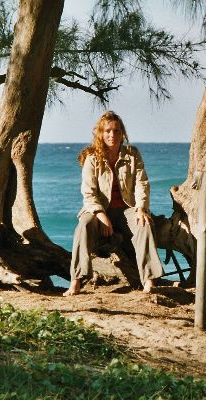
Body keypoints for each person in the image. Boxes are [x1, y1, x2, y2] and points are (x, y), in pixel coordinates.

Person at [64, 111, 163, 296]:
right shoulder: (92, 158)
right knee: (83, 226)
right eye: (108, 131)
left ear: (122, 133)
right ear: (100, 133)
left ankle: (149, 281)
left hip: (127, 209)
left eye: (117, 131)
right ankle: (76, 281)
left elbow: (142, 183)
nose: (112, 135)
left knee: (144, 224)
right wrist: (102, 216)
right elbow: (88, 192)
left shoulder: (133, 154)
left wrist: (141, 207)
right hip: (98, 210)